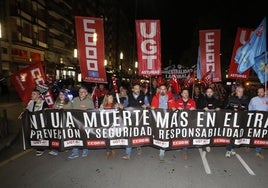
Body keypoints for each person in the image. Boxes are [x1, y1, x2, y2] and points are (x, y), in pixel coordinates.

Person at [122, 83, 150, 160]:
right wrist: (120, 106)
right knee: (129, 134)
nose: (137, 90)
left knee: (139, 133)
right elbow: (124, 105)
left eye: (138, 88)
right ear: (133, 89)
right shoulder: (129, 96)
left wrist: (146, 106)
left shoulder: (144, 96)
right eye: (135, 88)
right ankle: (128, 153)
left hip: (140, 119)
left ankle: (139, 146)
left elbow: (148, 105)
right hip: (130, 119)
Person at [150, 84, 177, 161]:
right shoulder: (155, 97)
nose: (162, 90)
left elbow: (174, 107)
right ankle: (161, 148)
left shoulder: (171, 98)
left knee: (165, 134)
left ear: (166, 90)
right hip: (158, 119)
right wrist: (152, 108)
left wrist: (174, 108)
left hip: (168, 119)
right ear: (159, 90)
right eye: (161, 89)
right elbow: (152, 107)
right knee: (159, 134)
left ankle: (162, 152)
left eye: (164, 89)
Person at [68, 86, 95, 159]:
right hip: (75, 122)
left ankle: (85, 149)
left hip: (84, 123)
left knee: (84, 137)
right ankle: (75, 152)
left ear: (86, 93)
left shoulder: (89, 101)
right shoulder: (74, 99)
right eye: (80, 91)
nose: (81, 93)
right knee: (74, 137)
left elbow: (92, 112)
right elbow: (69, 108)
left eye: (83, 92)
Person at [225, 85, 249, 158]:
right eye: (239, 91)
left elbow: (247, 109)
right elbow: (225, 107)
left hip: (241, 120)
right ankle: (228, 150)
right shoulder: (231, 98)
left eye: (242, 91)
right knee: (231, 134)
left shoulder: (245, 99)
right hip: (232, 119)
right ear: (236, 91)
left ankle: (232, 148)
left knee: (236, 135)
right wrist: (231, 108)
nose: (240, 93)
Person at [25, 88, 49, 156]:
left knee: (41, 135)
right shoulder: (30, 102)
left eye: (34, 94)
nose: (31, 95)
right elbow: (27, 110)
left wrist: (46, 110)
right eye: (32, 94)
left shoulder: (43, 102)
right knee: (35, 135)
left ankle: (41, 148)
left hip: (40, 122)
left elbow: (47, 110)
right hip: (33, 122)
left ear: (38, 95)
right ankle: (38, 146)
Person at [198, 87, 221, 156]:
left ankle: (208, 144)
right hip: (204, 119)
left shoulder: (216, 100)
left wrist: (218, 108)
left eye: (210, 91)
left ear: (213, 93)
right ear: (205, 93)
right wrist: (203, 107)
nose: (209, 93)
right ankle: (203, 149)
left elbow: (220, 106)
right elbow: (197, 106)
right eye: (208, 91)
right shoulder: (202, 99)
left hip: (212, 120)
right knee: (204, 133)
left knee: (210, 133)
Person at [100, 92, 123, 159]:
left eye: (112, 97)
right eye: (110, 98)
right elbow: (99, 114)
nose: (112, 99)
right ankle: (107, 151)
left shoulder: (115, 104)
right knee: (107, 138)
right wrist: (100, 109)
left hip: (113, 125)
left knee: (112, 137)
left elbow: (121, 110)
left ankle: (113, 149)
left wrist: (120, 107)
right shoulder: (103, 105)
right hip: (106, 125)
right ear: (106, 99)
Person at [48, 90, 71, 156]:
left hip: (65, 121)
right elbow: (53, 109)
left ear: (65, 95)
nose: (61, 96)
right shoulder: (56, 102)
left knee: (65, 135)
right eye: (60, 94)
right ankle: (54, 150)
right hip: (57, 121)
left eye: (63, 94)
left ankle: (66, 147)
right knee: (56, 135)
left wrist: (62, 108)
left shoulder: (68, 102)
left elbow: (70, 110)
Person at [248, 86, 268, 159]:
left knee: (261, 135)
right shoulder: (253, 99)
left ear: (265, 92)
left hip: (264, 121)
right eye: (258, 92)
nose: (260, 93)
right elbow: (249, 109)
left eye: (261, 92)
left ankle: (258, 151)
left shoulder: (267, 99)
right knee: (252, 133)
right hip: (254, 119)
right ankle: (248, 145)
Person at [176, 88, 196, 160]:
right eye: (184, 93)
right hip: (179, 122)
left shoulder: (192, 101)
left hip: (189, 123)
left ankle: (185, 151)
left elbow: (195, 112)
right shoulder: (178, 101)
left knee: (186, 136)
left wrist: (193, 109)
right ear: (181, 94)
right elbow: (173, 110)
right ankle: (180, 146)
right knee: (179, 134)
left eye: (187, 93)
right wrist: (176, 108)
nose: (186, 94)